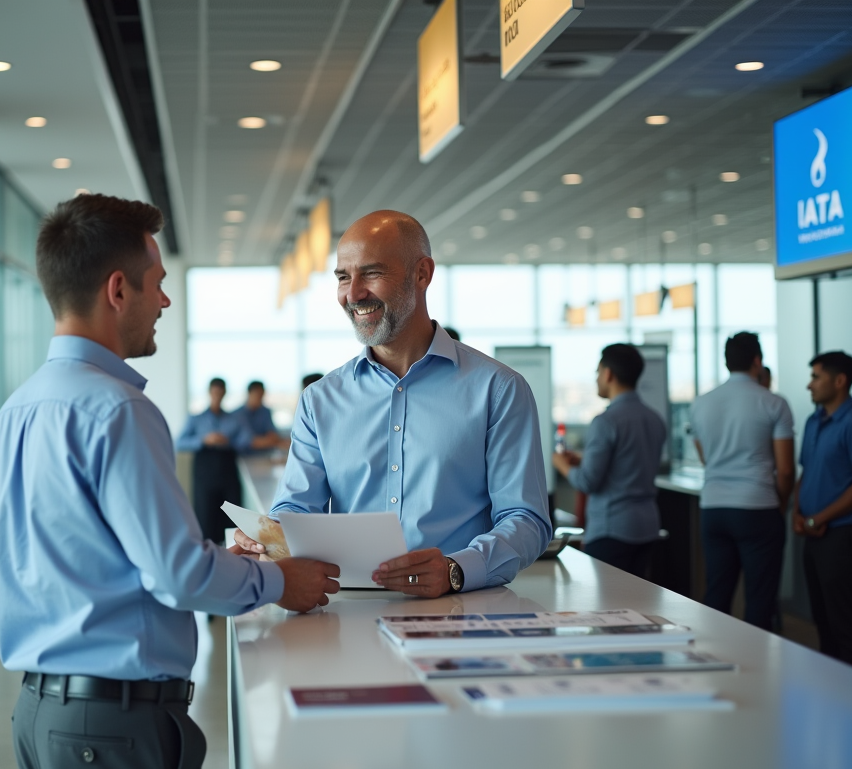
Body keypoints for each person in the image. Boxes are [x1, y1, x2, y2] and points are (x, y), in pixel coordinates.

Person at [0, 193, 339, 769]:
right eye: (158, 284)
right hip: (114, 729)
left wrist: (228, 564)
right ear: (118, 290)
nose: (165, 301)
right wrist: (283, 582)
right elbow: (179, 576)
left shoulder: (10, 415)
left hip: (40, 720)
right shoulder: (117, 410)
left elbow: (84, 560)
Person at [234, 210, 552, 596]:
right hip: (346, 614)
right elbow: (298, 510)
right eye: (343, 277)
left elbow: (526, 518)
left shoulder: (498, 389)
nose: (353, 294)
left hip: (460, 612)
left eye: (371, 273)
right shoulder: (320, 400)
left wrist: (457, 569)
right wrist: (267, 536)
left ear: (422, 274)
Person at [690, 332, 794, 630]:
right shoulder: (774, 403)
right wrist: (781, 503)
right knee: (759, 599)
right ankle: (758, 669)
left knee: (717, 593)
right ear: (757, 361)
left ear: (726, 362)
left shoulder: (701, 403)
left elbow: (706, 457)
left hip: (713, 508)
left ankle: (712, 659)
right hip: (757, 507)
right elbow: (785, 470)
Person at [552, 344, 666, 578]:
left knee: (608, 607)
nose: (596, 379)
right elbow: (631, 460)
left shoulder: (606, 421)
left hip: (612, 530)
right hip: (647, 527)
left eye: (597, 372)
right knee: (639, 604)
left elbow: (587, 482)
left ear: (608, 374)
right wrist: (584, 458)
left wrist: (561, 464)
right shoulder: (654, 419)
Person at [794, 351, 852, 672]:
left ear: (839, 381)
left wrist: (818, 518)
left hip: (844, 537)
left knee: (847, 625)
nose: (809, 385)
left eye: (816, 377)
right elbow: (806, 471)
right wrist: (797, 515)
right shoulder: (814, 421)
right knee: (822, 621)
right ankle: (831, 694)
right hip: (814, 535)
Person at [176, 378, 251, 544]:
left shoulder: (235, 419)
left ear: (224, 393)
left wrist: (228, 441)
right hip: (205, 472)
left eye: (220, 392)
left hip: (228, 469)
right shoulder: (196, 418)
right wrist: (204, 440)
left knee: (232, 515)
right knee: (205, 515)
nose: (217, 395)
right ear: (209, 393)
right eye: (215, 392)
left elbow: (246, 441)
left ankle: (234, 554)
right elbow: (179, 442)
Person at [233, 380, 285, 451]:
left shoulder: (265, 411)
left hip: (265, 454)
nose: (260, 398)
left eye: (261, 395)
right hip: (244, 456)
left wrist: (271, 440)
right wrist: (271, 441)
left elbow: (273, 434)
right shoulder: (238, 414)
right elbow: (251, 441)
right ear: (249, 394)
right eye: (257, 395)